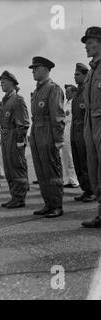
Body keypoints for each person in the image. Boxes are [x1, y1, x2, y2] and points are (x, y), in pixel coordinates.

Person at [29, 56, 65, 218]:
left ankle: (56, 205)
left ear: (45, 69)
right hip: (37, 134)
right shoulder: (37, 91)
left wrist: (58, 139)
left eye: (36, 68)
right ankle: (48, 203)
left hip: (48, 134)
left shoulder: (53, 89)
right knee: (41, 171)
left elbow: (57, 116)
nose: (33, 71)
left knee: (52, 171)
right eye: (33, 69)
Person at [0, 71, 30, 208]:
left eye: (3, 81)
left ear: (11, 82)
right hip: (6, 136)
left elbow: (23, 123)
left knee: (17, 166)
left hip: (14, 136)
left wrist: (20, 141)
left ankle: (20, 197)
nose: (1, 84)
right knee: (9, 167)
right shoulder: (6, 100)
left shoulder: (18, 100)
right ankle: (14, 196)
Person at [80, 27, 101, 228]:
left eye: (90, 42)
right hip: (90, 124)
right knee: (94, 169)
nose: (86, 46)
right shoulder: (91, 72)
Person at [71, 63, 95, 203]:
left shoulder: (88, 91)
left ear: (85, 75)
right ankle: (85, 189)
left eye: (77, 74)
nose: (75, 77)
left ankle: (92, 190)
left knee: (86, 162)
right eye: (74, 74)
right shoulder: (77, 93)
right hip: (75, 132)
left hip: (84, 132)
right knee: (78, 162)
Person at [61, 84, 79, 188]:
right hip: (64, 129)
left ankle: (74, 180)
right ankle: (68, 179)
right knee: (65, 156)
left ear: (73, 92)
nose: (66, 94)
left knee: (71, 155)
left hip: (71, 128)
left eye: (68, 92)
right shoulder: (66, 104)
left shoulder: (74, 103)